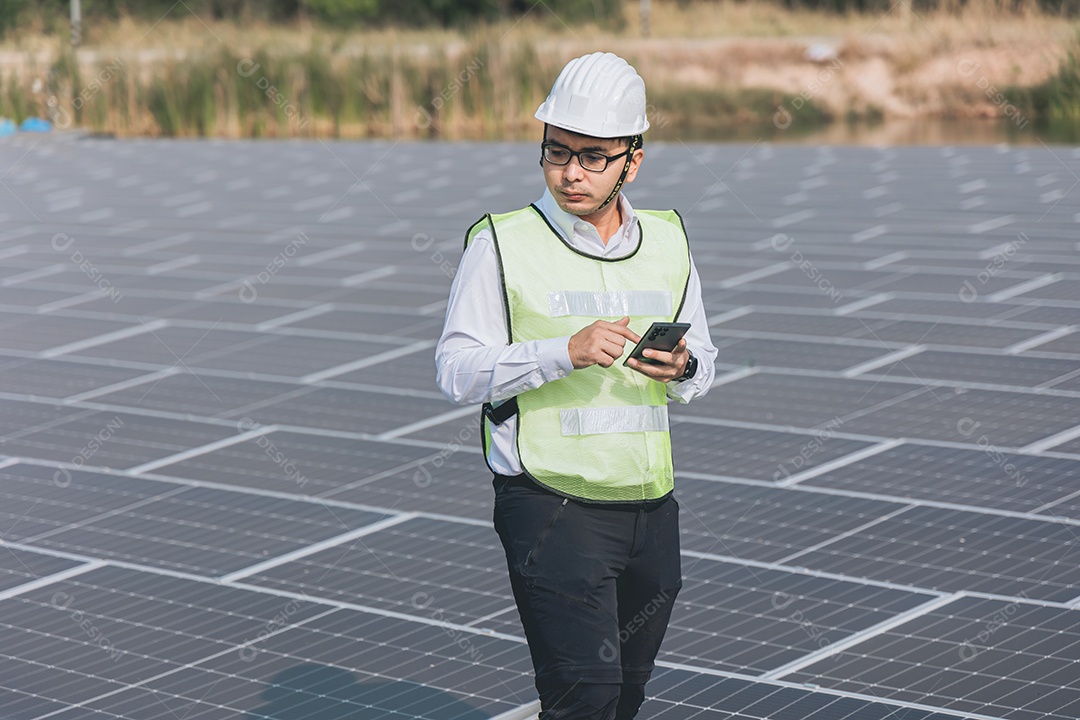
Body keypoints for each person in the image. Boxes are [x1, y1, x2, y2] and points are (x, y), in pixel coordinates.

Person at [436, 51, 717, 720]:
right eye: (556, 152)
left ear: (633, 161)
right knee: (583, 699)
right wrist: (561, 353)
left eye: (593, 157)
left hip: (650, 507)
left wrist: (682, 370)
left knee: (624, 698)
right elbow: (455, 370)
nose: (570, 172)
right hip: (550, 507)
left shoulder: (669, 240)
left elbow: (704, 360)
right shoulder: (501, 243)